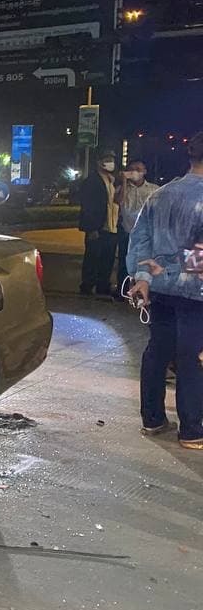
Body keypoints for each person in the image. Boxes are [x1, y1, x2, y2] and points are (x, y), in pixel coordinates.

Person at [127, 132, 203, 449]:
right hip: (196, 292)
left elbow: (140, 241)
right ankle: (192, 430)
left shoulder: (160, 194)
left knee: (158, 350)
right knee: (192, 356)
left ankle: (153, 419)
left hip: (159, 289)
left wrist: (143, 277)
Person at [78, 150, 119, 295]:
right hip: (97, 227)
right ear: (99, 162)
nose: (110, 162)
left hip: (111, 226)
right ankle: (87, 286)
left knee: (108, 259)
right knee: (92, 258)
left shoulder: (112, 180)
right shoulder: (92, 181)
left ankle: (103, 286)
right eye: (107, 159)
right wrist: (91, 228)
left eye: (112, 159)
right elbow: (88, 206)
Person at [117, 159, 158, 285]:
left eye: (138, 169)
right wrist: (124, 181)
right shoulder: (122, 188)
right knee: (124, 263)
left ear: (145, 171)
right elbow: (119, 201)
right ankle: (123, 288)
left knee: (144, 263)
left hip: (146, 235)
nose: (135, 172)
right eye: (131, 169)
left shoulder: (154, 189)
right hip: (127, 232)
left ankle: (143, 288)